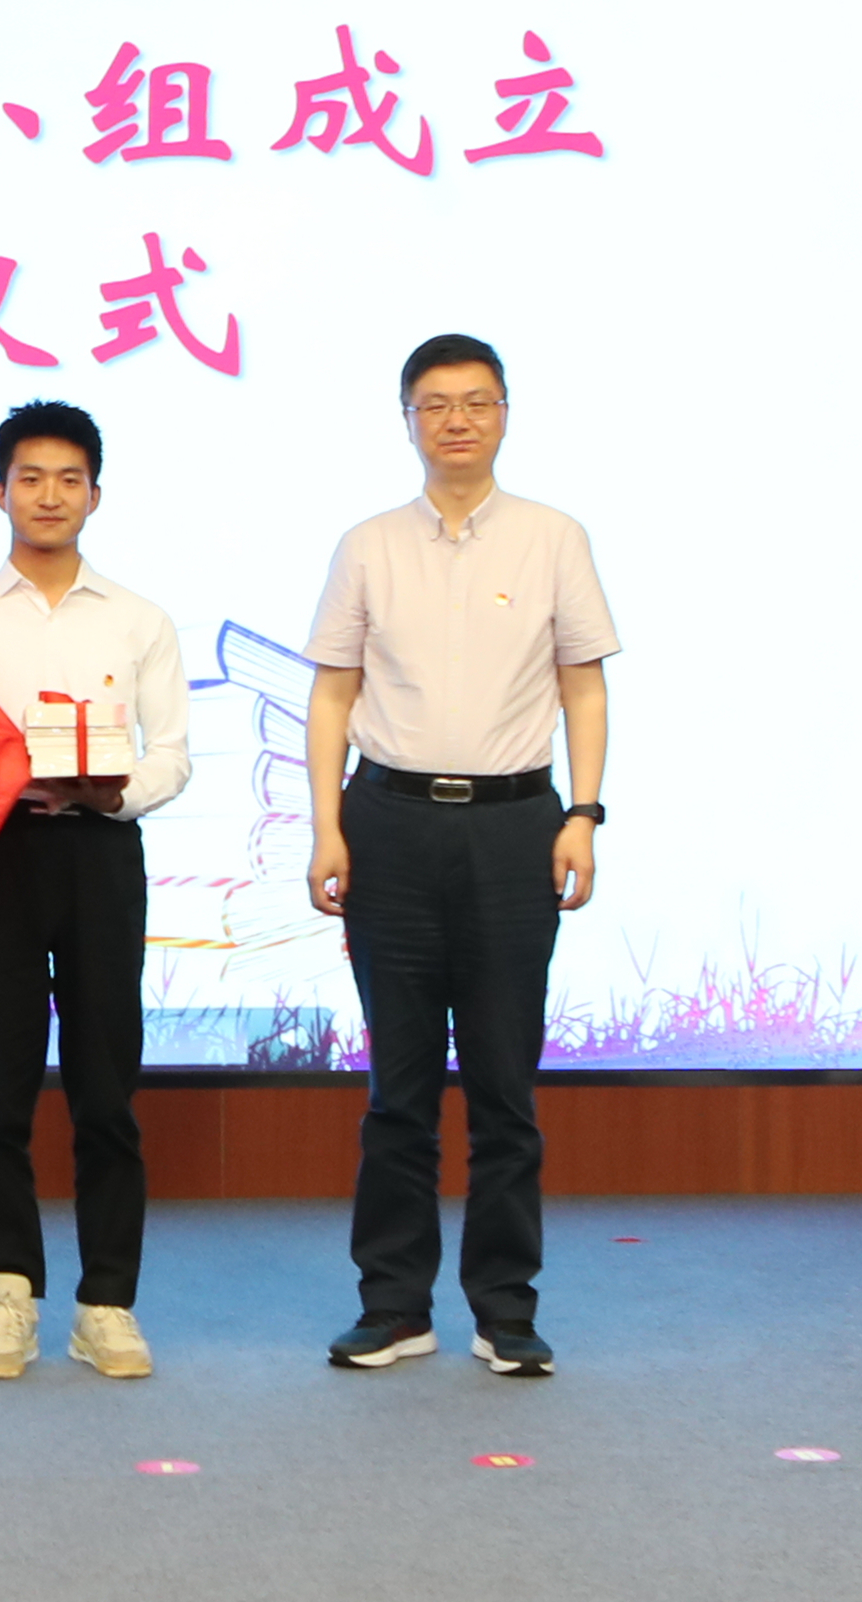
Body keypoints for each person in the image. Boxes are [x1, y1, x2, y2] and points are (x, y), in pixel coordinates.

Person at [302, 335, 616, 1379]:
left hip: (513, 827)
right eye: (434, 404)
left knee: (501, 1088)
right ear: (407, 420)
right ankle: (393, 1306)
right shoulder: (367, 546)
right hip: (387, 825)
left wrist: (584, 814)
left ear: (504, 413)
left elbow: (582, 685)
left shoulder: (552, 539)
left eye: (475, 402)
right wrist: (326, 826)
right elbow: (333, 694)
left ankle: (505, 1310)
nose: (456, 421)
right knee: (396, 1089)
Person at [0, 401, 190, 1381]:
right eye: (29, 478)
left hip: (99, 855)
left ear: (95, 495)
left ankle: (106, 1304)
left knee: (104, 1091)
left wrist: (116, 795)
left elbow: (172, 754)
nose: (48, 496)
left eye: (68, 479)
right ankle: (8, 1295)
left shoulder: (138, 620)